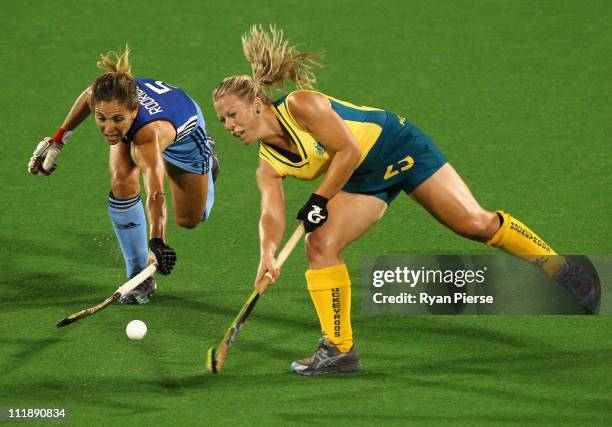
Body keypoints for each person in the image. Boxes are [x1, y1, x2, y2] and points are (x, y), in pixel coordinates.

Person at [212, 26, 599, 376]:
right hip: (363, 179)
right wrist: (267, 254)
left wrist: (319, 199)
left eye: (232, 114)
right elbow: (271, 212)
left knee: (475, 224)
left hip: (397, 146)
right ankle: (340, 350)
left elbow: (345, 150)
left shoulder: (301, 105)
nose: (229, 126)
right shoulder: (268, 162)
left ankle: (563, 269)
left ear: (258, 102)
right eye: (223, 121)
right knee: (320, 244)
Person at [28, 46, 219, 304]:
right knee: (121, 181)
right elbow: (88, 96)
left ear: (133, 110)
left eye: (116, 119)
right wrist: (59, 140)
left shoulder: (146, 137)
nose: (107, 128)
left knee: (190, 219)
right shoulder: (108, 102)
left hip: (186, 145)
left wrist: (158, 241)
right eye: (101, 118)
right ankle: (139, 277)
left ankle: (209, 157)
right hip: (143, 130)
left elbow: (156, 192)